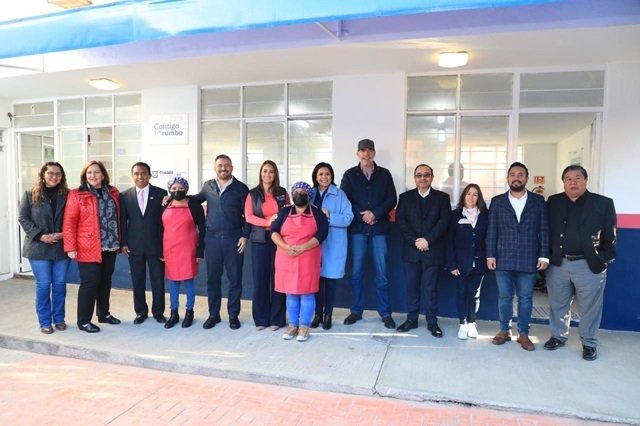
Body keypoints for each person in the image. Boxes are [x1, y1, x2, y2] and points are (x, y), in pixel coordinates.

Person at [543, 165, 617, 361]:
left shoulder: (603, 203)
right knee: (558, 303)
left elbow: (610, 237)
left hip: (589, 265)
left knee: (590, 308)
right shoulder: (553, 202)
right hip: (558, 264)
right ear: (563, 182)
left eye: (577, 178)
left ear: (586, 180)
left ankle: (589, 343)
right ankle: (558, 336)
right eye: (568, 179)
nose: (573, 182)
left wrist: (603, 260)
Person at [486, 161, 549, 351]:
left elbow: (544, 230)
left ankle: (523, 333)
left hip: (528, 257)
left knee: (526, 298)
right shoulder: (497, 201)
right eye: (513, 175)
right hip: (503, 257)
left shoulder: (538, 201)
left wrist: (544, 256)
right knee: (504, 297)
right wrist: (490, 255)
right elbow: (492, 230)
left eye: (520, 175)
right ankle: (504, 330)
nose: (516, 178)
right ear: (508, 178)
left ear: (526, 178)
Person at [340, 138, 397, 329]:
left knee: (382, 274)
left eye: (369, 150)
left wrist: (375, 214)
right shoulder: (349, 175)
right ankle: (356, 311)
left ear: (374, 153)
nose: (366, 154)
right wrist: (362, 215)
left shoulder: (385, 174)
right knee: (356, 273)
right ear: (357, 154)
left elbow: (392, 199)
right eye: (363, 150)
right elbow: (345, 200)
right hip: (358, 230)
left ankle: (386, 313)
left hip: (380, 229)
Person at [63, 160, 122, 333]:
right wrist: (70, 247)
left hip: (110, 244)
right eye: (89, 172)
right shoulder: (76, 194)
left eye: (96, 172)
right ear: (84, 175)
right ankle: (83, 321)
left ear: (103, 175)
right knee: (90, 283)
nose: (93, 175)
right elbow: (69, 222)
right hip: (88, 245)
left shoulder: (113, 192)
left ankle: (104, 314)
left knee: (105, 281)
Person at [193, 154, 250, 330]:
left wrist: (245, 236)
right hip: (212, 239)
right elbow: (194, 200)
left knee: (235, 279)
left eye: (226, 165)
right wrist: (172, 197)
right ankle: (213, 314)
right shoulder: (208, 186)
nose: (223, 168)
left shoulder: (241, 188)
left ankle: (233, 315)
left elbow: (248, 214)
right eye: (220, 165)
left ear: (232, 167)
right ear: (215, 168)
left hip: (234, 239)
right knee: (213, 279)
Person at [396, 164, 451, 337]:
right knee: (412, 287)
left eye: (426, 175)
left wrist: (428, 240)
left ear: (432, 177)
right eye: (419, 175)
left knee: (430, 288)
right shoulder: (405, 197)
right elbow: (401, 221)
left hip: (432, 250)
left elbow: (444, 222)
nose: (423, 178)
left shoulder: (442, 198)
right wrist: (415, 241)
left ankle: (432, 322)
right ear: (414, 178)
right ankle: (412, 319)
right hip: (411, 251)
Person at [271, 181, 328, 342]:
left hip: (308, 257)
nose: (299, 194)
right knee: (290, 292)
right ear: (292, 195)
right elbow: (273, 231)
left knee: (307, 292)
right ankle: (293, 325)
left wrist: (303, 247)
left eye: (303, 192)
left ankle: (304, 326)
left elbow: (322, 234)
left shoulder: (317, 213)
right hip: (286, 256)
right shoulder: (284, 212)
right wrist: (286, 247)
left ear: (309, 195)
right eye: (296, 192)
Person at [18, 161, 70, 334]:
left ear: (62, 177)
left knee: (60, 284)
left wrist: (62, 234)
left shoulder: (68, 195)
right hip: (38, 247)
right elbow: (23, 218)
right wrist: (41, 236)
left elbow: (73, 218)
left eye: (58, 174)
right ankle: (45, 322)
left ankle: (59, 318)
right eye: (50, 173)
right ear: (43, 175)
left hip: (61, 246)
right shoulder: (29, 195)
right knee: (44, 284)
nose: (54, 177)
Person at [245, 160, 289, 331]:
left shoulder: (282, 193)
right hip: (260, 241)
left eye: (271, 171)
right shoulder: (253, 194)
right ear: (260, 173)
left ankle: (277, 319)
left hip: (279, 240)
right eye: (265, 171)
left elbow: (288, 213)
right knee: (260, 280)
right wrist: (267, 222)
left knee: (278, 279)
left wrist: (275, 224)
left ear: (275, 174)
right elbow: (249, 216)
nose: (267, 174)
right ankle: (261, 319)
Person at [120, 162, 166, 324]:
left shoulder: (161, 193)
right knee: (137, 280)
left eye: (143, 173)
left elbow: (165, 221)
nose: (140, 176)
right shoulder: (125, 195)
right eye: (136, 173)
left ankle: (158, 312)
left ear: (149, 175)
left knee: (158, 280)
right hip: (134, 246)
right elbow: (123, 221)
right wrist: (124, 242)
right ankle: (141, 312)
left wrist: (165, 245)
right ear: (132, 176)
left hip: (156, 245)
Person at [309, 162, 353, 330]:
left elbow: (348, 218)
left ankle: (328, 315)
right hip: (313, 243)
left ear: (332, 176)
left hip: (333, 243)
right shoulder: (310, 194)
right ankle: (317, 314)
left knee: (330, 281)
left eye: (327, 174)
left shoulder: (340, 194)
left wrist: (330, 216)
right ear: (315, 176)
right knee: (316, 281)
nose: (324, 177)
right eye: (320, 174)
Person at [445, 183, 489, 339]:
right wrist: (451, 264)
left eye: (475, 194)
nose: (471, 197)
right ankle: (462, 323)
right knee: (461, 292)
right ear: (463, 196)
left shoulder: (485, 216)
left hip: (479, 262)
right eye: (468, 194)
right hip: (460, 262)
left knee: (474, 293)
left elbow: (489, 239)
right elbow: (449, 241)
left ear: (479, 198)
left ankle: (472, 323)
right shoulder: (455, 215)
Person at [161, 177, 205, 329]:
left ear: (186, 189)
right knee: (173, 282)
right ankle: (173, 312)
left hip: (188, 248)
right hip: (170, 248)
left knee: (188, 281)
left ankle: (189, 311)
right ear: (169, 190)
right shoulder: (165, 204)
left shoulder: (194, 205)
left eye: (180, 188)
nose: (177, 191)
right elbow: (159, 228)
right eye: (173, 189)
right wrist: (160, 250)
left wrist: (200, 251)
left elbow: (203, 229)